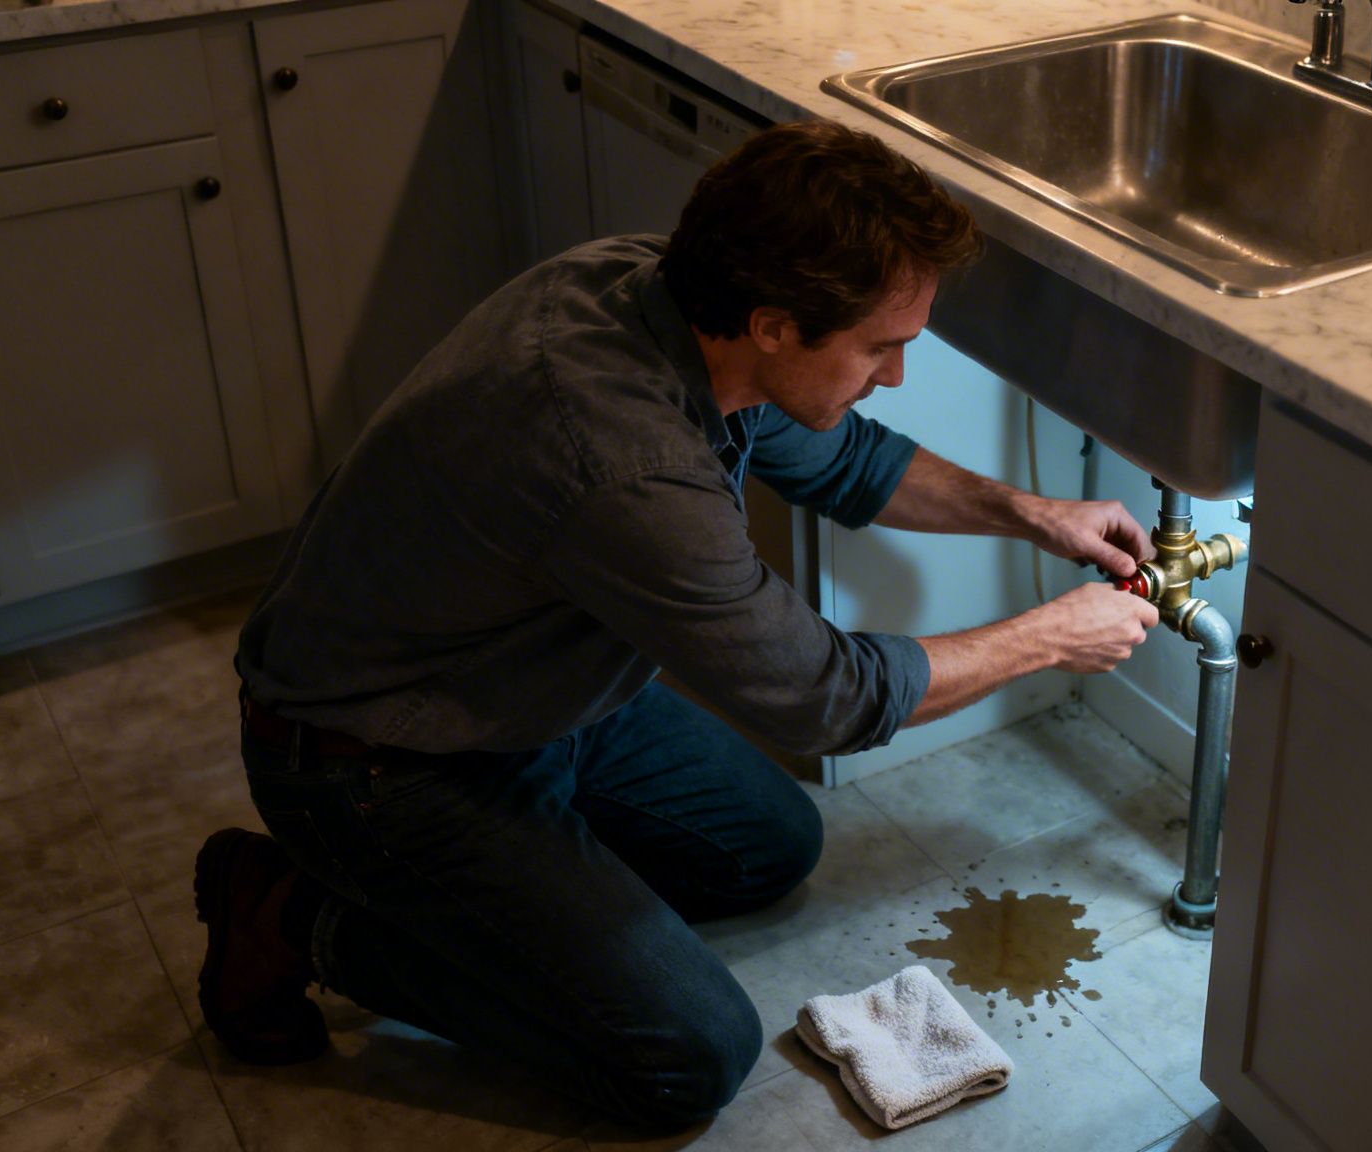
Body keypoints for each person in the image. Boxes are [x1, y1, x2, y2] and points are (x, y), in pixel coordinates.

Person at [194, 120, 1159, 1131]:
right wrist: (1050, 636)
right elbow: (823, 698)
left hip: (532, 694)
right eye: (881, 346)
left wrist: (1034, 513)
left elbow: (846, 464)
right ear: (776, 324)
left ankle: (517, 899)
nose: (895, 375)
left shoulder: (662, 292)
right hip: (377, 765)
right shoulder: (620, 456)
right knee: (685, 1057)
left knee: (766, 847)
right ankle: (292, 915)